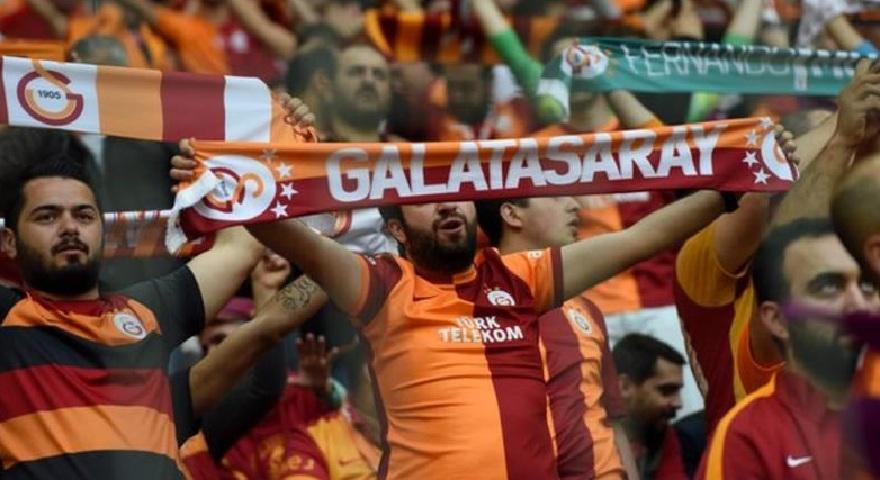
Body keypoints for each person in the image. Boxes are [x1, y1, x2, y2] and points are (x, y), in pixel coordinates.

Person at [171, 122, 797, 478]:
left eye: (456, 191)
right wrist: (221, 183)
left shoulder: (524, 276)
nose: (448, 203)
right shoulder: (381, 283)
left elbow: (642, 239)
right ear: (396, 230)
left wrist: (734, 184)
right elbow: (282, 233)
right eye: (425, 199)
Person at [0, 158, 263, 479]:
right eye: (47, 216)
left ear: (103, 233)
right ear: (9, 241)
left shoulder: (148, 310)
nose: (70, 227)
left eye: (84, 216)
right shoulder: (7, 318)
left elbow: (241, 250)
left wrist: (214, 175)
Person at [673, 59, 880, 432]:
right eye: (830, 157)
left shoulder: (846, 255)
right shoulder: (704, 256)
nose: (841, 170)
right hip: (760, 447)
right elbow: (768, 204)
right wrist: (841, 131)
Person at [699, 218, 880, 479]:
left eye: (867, 286)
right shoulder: (746, 434)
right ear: (778, 320)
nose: (858, 305)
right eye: (829, 287)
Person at [474, 196, 637, 480]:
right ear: (512, 214)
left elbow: (612, 419)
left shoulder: (587, 310)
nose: (574, 205)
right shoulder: (467, 305)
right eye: (556, 196)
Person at [613, 334, 688, 480]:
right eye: (666, 390)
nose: (679, 403)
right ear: (624, 386)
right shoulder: (581, 438)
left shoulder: (658, 431)